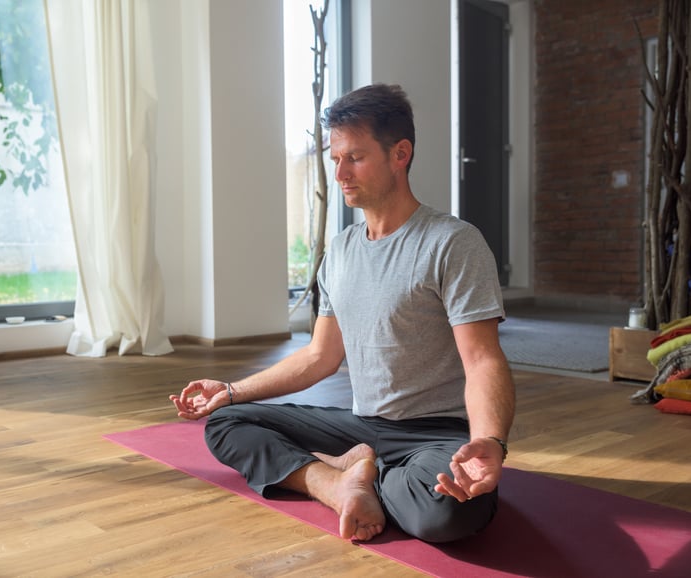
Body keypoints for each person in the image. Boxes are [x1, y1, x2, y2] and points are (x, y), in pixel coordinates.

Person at [170, 83, 515, 544]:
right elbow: (320, 356)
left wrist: (490, 442)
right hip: (364, 425)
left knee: (447, 516)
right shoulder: (342, 250)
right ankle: (335, 482)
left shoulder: (452, 243)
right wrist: (231, 391)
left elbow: (483, 360)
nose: (341, 173)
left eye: (354, 157)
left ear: (401, 154)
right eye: (335, 159)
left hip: (436, 433)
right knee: (228, 423)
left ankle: (353, 470)